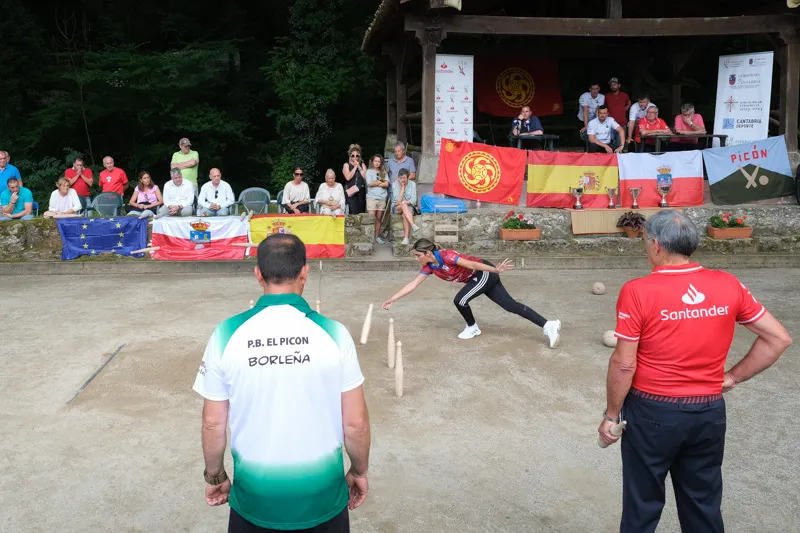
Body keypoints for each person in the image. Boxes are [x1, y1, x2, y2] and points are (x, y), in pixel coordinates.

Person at [598, 210, 792, 533]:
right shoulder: (728, 284)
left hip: (651, 413)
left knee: (641, 508)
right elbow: (778, 338)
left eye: (647, 242)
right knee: (703, 508)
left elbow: (624, 363)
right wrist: (731, 377)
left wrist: (611, 414)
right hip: (708, 412)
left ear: (656, 245)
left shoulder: (637, 291)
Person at [193, 233, 371, 533]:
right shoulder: (334, 333)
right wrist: (359, 470)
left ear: (258, 274)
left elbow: (213, 423)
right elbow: (356, 424)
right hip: (323, 498)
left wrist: (215, 476)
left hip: (254, 500)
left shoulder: (226, 333)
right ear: (305, 271)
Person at [382, 238, 562, 346]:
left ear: (428, 253)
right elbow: (413, 284)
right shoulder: (430, 267)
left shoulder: (446, 256)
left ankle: (472, 328)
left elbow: (471, 264)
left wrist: (495, 270)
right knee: (510, 305)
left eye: (417, 255)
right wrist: (392, 298)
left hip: (483, 272)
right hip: (481, 277)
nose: (415, 258)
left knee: (460, 300)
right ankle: (549, 325)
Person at [365, 154, 390, 244]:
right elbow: (369, 183)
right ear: (372, 162)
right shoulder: (369, 172)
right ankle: (369, 238)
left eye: (379, 161)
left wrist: (376, 182)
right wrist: (381, 181)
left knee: (379, 219)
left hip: (382, 198)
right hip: (372, 198)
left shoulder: (384, 172)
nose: (377, 163)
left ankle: (376, 237)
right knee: (371, 219)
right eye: (375, 161)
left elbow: (387, 184)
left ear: (381, 162)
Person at [391, 169, 419, 246]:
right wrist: (402, 187)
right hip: (397, 208)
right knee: (403, 205)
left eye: (404, 178)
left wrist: (404, 202)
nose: (402, 180)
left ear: (408, 177)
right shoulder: (395, 184)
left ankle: (406, 238)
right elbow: (397, 200)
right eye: (400, 178)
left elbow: (414, 200)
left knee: (404, 215)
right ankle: (413, 224)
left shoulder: (412, 184)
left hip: (409, 206)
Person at [342, 144, 367, 215]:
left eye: (357, 155)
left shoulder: (362, 165)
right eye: (353, 155)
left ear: (359, 156)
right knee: (352, 212)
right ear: (350, 156)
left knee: (361, 213)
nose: (355, 157)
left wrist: (359, 166)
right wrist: (355, 167)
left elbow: (366, 177)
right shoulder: (346, 165)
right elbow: (348, 177)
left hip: (361, 192)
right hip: (351, 192)